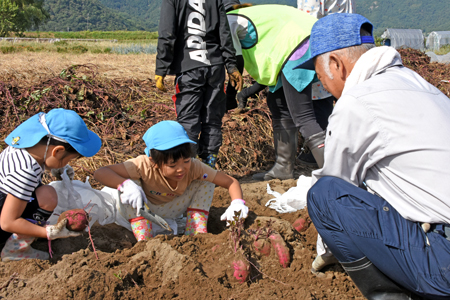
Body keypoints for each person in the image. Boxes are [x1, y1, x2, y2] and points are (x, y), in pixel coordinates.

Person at [296, 13, 450, 299]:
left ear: (335, 64)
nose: (325, 87)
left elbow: (338, 187)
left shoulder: (356, 102)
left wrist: (329, 250)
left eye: (320, 77)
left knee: (323, 194)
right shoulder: (420, 86)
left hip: (444, 264)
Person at [226, 4, 333, 181]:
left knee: (303, 116)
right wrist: (245, 93)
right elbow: (268, 61)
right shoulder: (246, 14)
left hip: (297, 44)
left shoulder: (229, 21)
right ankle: (283, 167)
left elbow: (235, 65)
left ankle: (337, 176)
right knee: (278, 103)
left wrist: (228, 100)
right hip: (306, 41)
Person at [94, 120, 248, 239]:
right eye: (172, 164)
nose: (181, 169)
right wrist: (125, 185)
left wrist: (237, 203)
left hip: (171, 209)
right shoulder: (143, 165)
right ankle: (144, 239)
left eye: (186, 161)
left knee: (206, 181)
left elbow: (230, 182)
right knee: (129, 182)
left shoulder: (194, 167)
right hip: (143, 209)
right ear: (154, 161)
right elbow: (101, 172)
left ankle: (196, 233)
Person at [0, 108, 102, 261]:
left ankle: (29, 233)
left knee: (45, 194)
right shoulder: (24, 172)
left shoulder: (21, 147)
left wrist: (58, 166)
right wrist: (50, 232)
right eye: (67, 160)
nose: (67, 164)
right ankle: (13, 250)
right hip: (4, 221)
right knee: (48, 197)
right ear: (58, 151)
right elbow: (8, 222)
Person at [155, 0, 243, 169]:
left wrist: (161, 69)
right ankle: (208, 169)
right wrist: (231, 65)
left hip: (189, 68)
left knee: (188, 121)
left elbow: (167, 34)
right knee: (212, 120)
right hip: (215, 68)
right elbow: (223, 32)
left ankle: (189, 170)